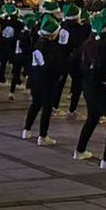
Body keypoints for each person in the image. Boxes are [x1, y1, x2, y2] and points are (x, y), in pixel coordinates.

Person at [74, 13, 106, 171]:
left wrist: (84, 78)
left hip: (88, 87)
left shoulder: (87, 44)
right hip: (101, 89)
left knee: (92, 117)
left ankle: (80, 150)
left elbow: (74, 63)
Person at [21, 14, 61, 146]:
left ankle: (26, 129)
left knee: (35, 104)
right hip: (47, 80)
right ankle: (43, 135)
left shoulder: (38, 42)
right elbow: (52, 66)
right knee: (46, 108)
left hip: (35, 78)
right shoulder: (52, 47)